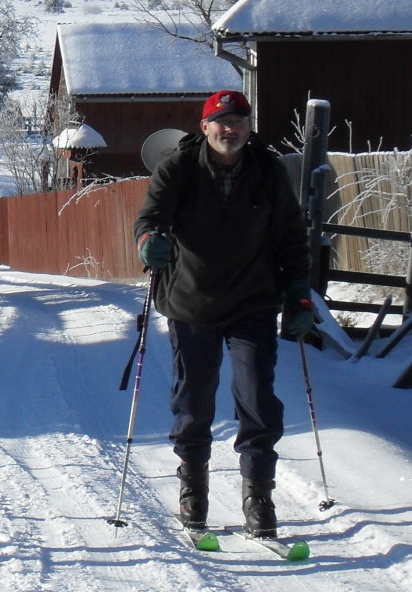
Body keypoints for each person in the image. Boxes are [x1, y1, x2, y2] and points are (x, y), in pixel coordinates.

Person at [132, 89, 316, 538]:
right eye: (221, 121)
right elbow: (149, 218)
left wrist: (299, 294)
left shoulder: (268, 171)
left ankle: (258, 498)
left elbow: (291, 236)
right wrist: (148, 241)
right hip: (192, 301)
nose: (229, 129)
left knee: (257, 397)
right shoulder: (177, 168)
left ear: (250, 128)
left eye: (238, 121)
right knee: (194, 399)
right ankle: (193, 488)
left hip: (253, 300)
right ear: (205, 127)